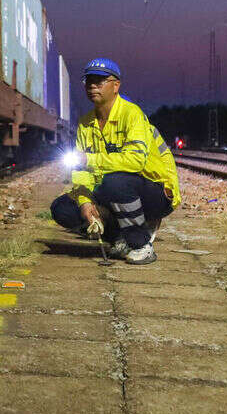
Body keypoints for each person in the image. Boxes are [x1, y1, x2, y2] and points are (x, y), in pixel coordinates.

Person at [50, 58, 181, 264]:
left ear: (116, 85)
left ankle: (141, 244)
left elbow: (135, 162)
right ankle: (119, 238)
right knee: (62, 207)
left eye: (100, 80)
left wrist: (90, 159)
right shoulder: (85, 123)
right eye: (89, 80)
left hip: (155, 193)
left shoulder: (132, 114)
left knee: (114, 182)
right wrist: (85, 203)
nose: (93, 85)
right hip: (115, 190)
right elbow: (81, 171)